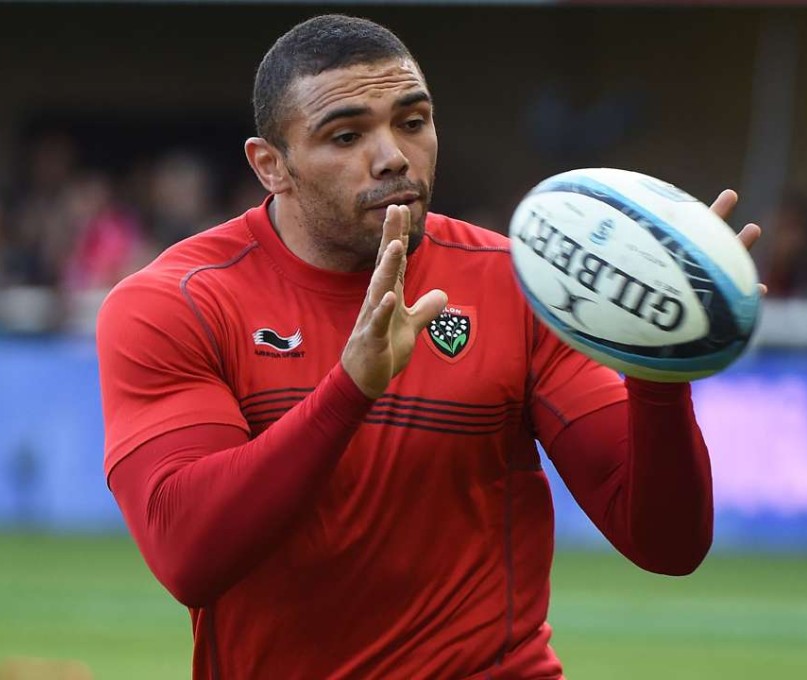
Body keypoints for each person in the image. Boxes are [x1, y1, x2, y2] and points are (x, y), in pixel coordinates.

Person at [97, 14, 762, 679]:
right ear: (271, 166)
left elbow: (667, 544)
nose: (392, 156)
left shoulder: (519, 285)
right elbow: (189, 555)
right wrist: (348, 391)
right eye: (347, 135)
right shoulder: (174, 304)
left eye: (412, 123)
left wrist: (659, 361)